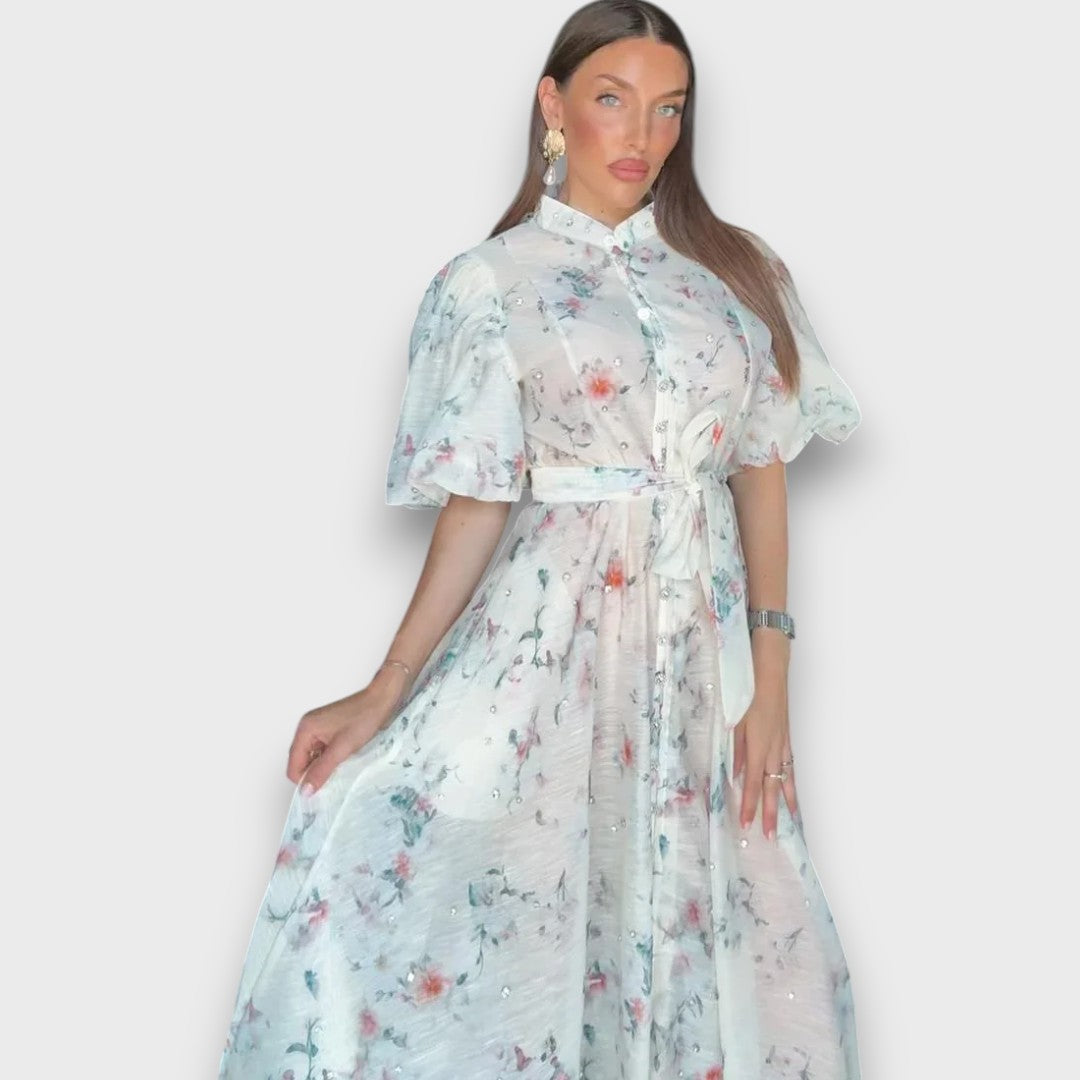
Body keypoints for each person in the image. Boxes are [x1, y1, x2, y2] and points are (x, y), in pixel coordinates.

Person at [217, 2, 863, 1077]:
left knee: (747, 915)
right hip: (552, 651)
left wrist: (775, 672)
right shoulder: (489, 284)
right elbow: (479, 503)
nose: (643, 136)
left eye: (669, 109)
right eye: (614, 100)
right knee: (519, 897)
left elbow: (760, 466)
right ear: (553, 105)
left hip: (705, 669)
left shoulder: (738, 273)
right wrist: (384, 690)